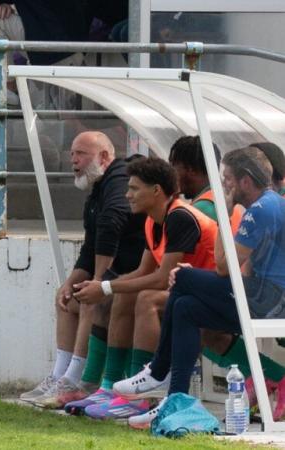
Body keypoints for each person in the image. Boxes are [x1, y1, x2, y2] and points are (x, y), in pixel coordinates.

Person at [114, 146, 285, 427]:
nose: (222, 185)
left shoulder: (260, 210)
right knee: (185, 306)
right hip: (267, 295)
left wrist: (225, 212)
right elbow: (243, 269)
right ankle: (176, 399)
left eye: (227, 179)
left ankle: (159, 369)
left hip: (272, 301)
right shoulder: (268, 204)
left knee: (182, 280)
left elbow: (221, 266)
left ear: (244, 181)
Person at [72, 156, 219, 419]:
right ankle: (110, 388)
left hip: (215, 294)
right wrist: (102, 286)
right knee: (124, 296)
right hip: (186, 293)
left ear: (156, 191)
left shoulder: (180, 217)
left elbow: (161, 279)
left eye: (134, 189)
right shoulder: (153, 221)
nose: (127, 195)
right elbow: (142, 272)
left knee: (146, 298)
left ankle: (145, 392)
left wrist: (105, 287)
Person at [19, 132, 145, 409]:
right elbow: (90, 246)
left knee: (89, 299)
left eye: (81, 154)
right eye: (72, 153)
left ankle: (76, 380)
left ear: (104, 157)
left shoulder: (119, 177)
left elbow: (112, 222)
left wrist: (98, 281)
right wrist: (71, 281)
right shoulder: (98, 189)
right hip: (118, 277)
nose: (73, 160)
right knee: (67, 297)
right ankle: (59, 374)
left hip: (136, 276)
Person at [0, 0, 87, 105]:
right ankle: (7, 88)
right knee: (55, 117)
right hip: (71, 46)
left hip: (55, 50)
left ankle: (7, 87)